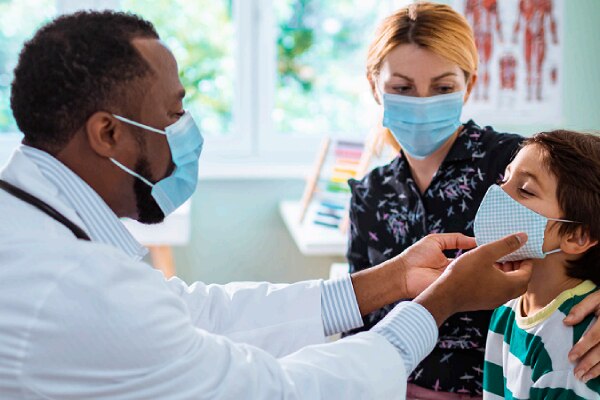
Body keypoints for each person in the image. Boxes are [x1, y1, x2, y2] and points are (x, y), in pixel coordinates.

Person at [0, 11, 533, 399]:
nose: (187, 132)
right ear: (108, 133)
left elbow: (202, 312)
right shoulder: (72, 286)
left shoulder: (40, 233)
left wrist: (392, 280)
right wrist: (438, 302)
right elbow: (279, 389)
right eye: (174, 111)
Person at [345, 2, 600, 398]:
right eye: (402, 88)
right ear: (374, 85)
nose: (423, 101)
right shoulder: (370, 194)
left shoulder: (513, 166)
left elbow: (587, 229)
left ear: (469, 85)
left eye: (443, 87)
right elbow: (356, 315)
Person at [480, 131, 600, 399]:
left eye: (524, 190)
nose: (499, 193)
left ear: (577, 236)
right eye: (505, 178)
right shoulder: (507, 310)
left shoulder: (577, 347)